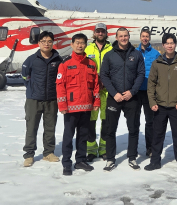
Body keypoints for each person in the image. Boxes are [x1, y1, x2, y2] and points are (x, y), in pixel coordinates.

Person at [145, 33, 177, 175]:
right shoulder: (157, 63)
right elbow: (151, 84)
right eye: (167, 43)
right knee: (157, 135)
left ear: (175, 45)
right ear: (163, 45)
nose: (170, 46)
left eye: (172, 43)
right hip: (160, 106)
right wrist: (152, 102)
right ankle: (155, 161)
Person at [100, 27, 145, 171]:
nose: (123, 38)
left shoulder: (136, 54)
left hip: (131, 98)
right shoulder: (109, 55)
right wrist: (114, 93)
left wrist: (132, 92)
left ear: (129, 37)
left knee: (133, 128)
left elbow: (141, 74)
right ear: (116, 37)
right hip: (115, 98)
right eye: (121, 36)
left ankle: (132, 157)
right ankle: (110, 159)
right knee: (110, 129)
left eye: (125, 36)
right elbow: (104, 75)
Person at [56, 33, 101, 175]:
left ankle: (80, 160)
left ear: (86, 45)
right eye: (77, 43)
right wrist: (62, 105)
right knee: (68, 136)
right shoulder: (65, 63)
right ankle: (66, 163)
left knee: (83, 135)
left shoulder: (91, 64)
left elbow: (95, 85)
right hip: (70, 108)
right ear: (72, 44)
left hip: (86, 106)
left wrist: (96, 101)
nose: (80, 45)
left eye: (82, 43)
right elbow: (60, 85)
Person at [21, 31, 63, 167]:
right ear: (39, 43)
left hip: (52, 99)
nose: (46, 44)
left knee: (50, 127)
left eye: (49, 41)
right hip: (34, 99)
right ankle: (29, 155)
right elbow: (25, 76)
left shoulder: (58, 60)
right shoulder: (31, 59)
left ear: (53, 43)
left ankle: (48, 153)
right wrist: (31, 88)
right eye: (43, 41)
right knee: (31, 127)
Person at [85, 23, 113, 161]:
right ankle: (91, 149)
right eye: (98, 31)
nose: (100, 33)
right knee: (91, 121)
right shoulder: (87, 48)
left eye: (103, 31)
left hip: (107, 91)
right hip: (92, 91)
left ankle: (103, 149)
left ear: (106, 33)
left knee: (106, 121)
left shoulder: (112, 48)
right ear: (94, 33)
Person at [136, 28, 160, 157]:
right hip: (136, 91)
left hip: (149, 92)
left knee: (150, 121)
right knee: (134, 121)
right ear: (140, 37)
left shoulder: (155, 53)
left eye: (147, 36)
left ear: (149, 38)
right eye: (143, 36)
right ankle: (133, 148)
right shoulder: (134, 52)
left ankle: (149, 148)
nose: (145, 38)